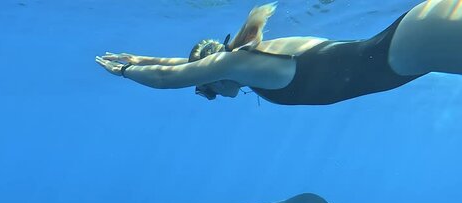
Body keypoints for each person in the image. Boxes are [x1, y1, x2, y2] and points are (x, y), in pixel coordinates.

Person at [95, 0, 462, 105]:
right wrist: (141, 59)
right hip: (415, 40)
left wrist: (124, 73)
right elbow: (176, 66)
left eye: (205, 88)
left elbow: (166, 80)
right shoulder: (249, 60)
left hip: (414, 47)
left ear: (212, 74)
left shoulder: (242, 63)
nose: (211, 93)